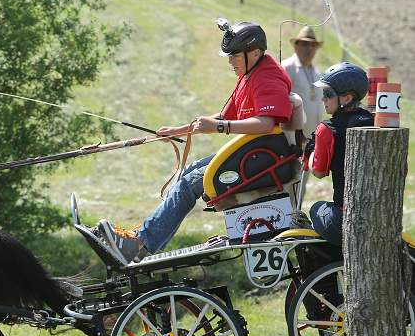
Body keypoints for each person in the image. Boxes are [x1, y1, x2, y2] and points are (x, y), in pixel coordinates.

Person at [99, 18, 292, 265]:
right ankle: (141, 244)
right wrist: (181, 130)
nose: (230, 61)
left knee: (189, 184)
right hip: (255, 154)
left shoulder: (267, 77)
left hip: (265, 159)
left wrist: (219, 127)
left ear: (255, 53)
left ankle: (138, 244)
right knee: (187, 176)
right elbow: (225, 116)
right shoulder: (250, 73)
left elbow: (265, 124)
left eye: (234, 55)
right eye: (228, 55)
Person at [305, 63, 373, 246]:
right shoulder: (377, 122)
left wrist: (310, 150)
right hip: (378, 216)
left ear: (347, 98)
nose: (323, 99)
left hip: (345, 218)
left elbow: (318, 172)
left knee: (316, 208)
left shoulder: (327, 129)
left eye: (328, 94)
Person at [281, 26, 324, 138]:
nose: (310, 48)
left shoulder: (316, 71)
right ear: (296, 46)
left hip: (312, 137)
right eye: (305, 44)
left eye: (313, 45)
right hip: (293, 138)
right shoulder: (287, 67)